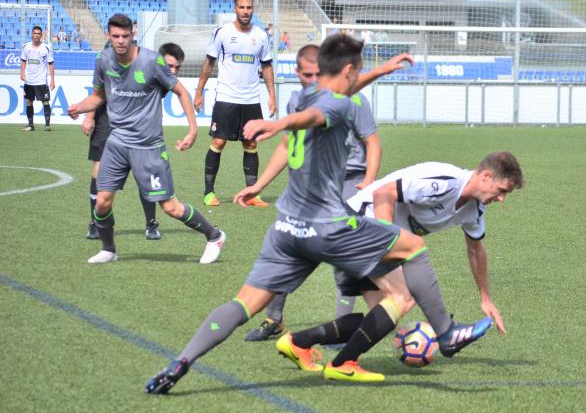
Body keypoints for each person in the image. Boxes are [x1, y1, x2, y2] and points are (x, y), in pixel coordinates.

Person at [145, 34, 489, 394]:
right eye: (356, 73)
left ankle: (179, 363)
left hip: (286, 228)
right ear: (348, 70)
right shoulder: (339, 106)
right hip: (327, 226)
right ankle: (447, 334)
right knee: (414, 247)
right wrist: (277, 125)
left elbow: (323, 101)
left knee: (242, 303)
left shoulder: (300, 95)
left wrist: (382, 70)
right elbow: (319, 115)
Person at [274, 152, 524, 375]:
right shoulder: (445, 182)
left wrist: (485, 297)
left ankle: (298, 343)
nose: (501, 199)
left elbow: (476, 249)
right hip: (358, 222)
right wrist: (386, 238)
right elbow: (384, 193)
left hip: (368, 235)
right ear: (487, 176)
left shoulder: (475, 210)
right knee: (403, 297)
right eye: (502, 190)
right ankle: (343, 363)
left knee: (383, 315)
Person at [244, 44, 382, 342]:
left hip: (350, 184)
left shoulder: (353, 100)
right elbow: (285, 145)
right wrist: (259, 185)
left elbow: (372, 142)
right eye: (306, 75)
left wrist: (368, 181)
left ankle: (349, 326)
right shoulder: (303, 103)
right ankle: (274, 319)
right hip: (314, 187)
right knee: (291, 246)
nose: (311, 80)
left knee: (349, 261)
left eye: (316, 74)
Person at [67, 13, 226, 265]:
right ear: (109, 36)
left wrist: (192, 130)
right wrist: (80, 107)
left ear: (133, 35)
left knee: (170, 207)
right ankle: (109, 249)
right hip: (117, 142)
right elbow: (99, 96)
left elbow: (181, 91)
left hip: (148, 146)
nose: (120, 41)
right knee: (102, 201)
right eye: (115, 36)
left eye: (125, 36)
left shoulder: (152, 62)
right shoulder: (103, 60)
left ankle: (214, 235)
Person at [80, 42, 187, 241]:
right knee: (98, 171)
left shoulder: (148, 68)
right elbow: (98, 93)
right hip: (105, 119)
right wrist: (89, 116)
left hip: (137, 127)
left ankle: (151, 223)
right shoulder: (105, 64)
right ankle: (95, 223)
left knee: (143, 173)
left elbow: (171, 89)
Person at [194, 0, 275, 208]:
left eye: (249, 7)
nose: (245, 11)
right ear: (235, 9)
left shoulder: (262, 35)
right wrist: (199, 92)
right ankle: (209, 193)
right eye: (242, 7)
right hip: (226, 98)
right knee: (219, 141)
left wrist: (272, 96)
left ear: (253, 9)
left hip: (251, 100)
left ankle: (252, 194)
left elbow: (267, 66)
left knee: (251, 143)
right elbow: (209, 63)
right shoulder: (222, 33)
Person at [20, 26, 55, 132]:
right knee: (29, 102)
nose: (36, 35)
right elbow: (23, 60)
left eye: (39, 33)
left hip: (41, 81)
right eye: (35, 33)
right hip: (29, 81)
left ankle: (47, 125)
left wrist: (52, 79)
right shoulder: (26, 46)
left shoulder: (46, 48)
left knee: (45, 102)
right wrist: (22, 73)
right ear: (32, 34)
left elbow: (51, 64)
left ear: (41, 35)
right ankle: (31, 125)